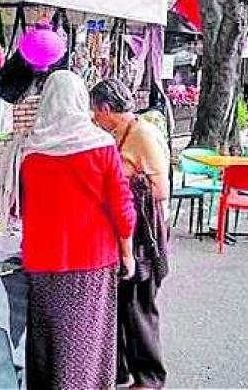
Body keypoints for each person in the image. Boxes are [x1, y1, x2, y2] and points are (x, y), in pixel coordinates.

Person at [0, 70, 137, 389]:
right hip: (91, 263)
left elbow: (22, 207)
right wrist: (127, 253)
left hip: (44, 263)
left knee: (50, 342)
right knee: (86, 344)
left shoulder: (30, 151)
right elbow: (122, 208)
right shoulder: (101, 145)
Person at [91, 78, 170, 389]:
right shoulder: (118, 134)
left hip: (144, 234)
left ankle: (150, 378)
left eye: (95, 111)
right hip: (124, 229)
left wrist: (121, 186)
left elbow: (160, 189)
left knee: (139, 306)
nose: (94, 117)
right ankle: (119, 369)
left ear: (106, 109)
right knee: (121, 303)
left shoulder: (143, 135)